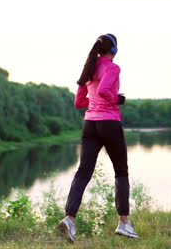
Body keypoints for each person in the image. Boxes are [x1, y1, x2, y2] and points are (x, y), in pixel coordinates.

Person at [58, 34, 138, 243]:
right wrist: (117, 99)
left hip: (90, 124)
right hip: (109, 123)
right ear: (114, 50)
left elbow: (78, 102)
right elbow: (104, 90)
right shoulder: (112, 68)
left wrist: (94, 100)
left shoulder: (89, 68)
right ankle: (124, 224)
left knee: (83, 172)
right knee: (121, 171)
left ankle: (69, 219)